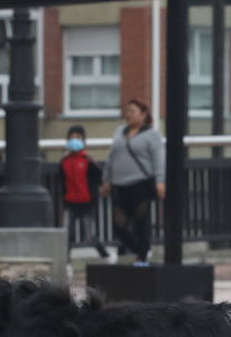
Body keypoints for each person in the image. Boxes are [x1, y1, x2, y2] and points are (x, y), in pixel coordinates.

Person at [100, 98, 165, 266]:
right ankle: (139, 250)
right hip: (120, 185)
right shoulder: (120, 132)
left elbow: (159, 159)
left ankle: (142, 257)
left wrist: (160, 181)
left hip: (141, 183)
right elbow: (111, 157)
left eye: (133, 111)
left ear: (143, 115)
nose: (129, 114)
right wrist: (106, 179)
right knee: (118, 225)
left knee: (140, 221)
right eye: (127, 111)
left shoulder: (151, 135)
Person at [59, 125, 110, 259]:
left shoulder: (88, 161)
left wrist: (103, 187)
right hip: (70, 202)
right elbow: (62, 182)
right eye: (71, 138)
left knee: (87, 234)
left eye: (78, 138)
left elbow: (100, 177)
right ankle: (66, 260)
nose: (74, 140)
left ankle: (104, 254)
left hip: (87, 203)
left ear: (84, 142)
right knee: (67, 233)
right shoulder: (64, 162)